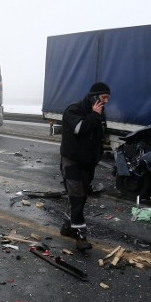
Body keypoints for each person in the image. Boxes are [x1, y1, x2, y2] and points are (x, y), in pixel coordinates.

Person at [59, 82, 111, 249]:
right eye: (104, 97)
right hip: (72, 161)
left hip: (88, 163)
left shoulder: (99, 113)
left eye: (108, 98)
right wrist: (95, 116)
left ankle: (67, 226)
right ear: (94, 97)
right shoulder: (74, 110)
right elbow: (79, 128)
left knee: (81, 198)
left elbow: (100, 135)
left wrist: (98, 155)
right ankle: (80, 237)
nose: (106, 101)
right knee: (77, 198)